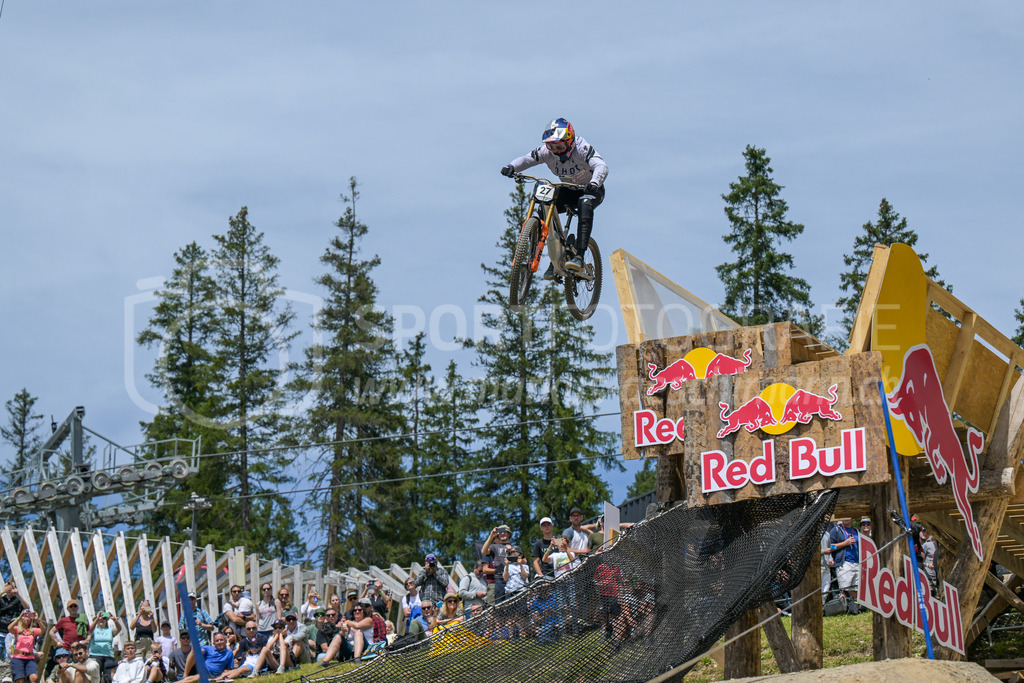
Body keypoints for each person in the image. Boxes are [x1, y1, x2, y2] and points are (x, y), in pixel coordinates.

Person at [500, 118, 608, 275]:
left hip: (591, 190)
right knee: (544, 205)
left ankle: (579, 255)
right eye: (552, 146)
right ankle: (554, 253)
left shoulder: (582, 148)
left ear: (570, 141)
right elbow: (526, 159)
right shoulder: (546, 151)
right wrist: (511, 166)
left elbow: (601, 165)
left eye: (560, 146)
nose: (556, 150)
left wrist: (595, 182)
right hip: (568, 189)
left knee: (585, 204)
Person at [829, 517, 860, 608]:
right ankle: (842, 609)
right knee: (845, 589)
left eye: (848, 516)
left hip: (857, 562)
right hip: (844, 563)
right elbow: (830, 547)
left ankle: (855, 609)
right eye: (844, 516)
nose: (846, 518)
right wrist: (844, 543)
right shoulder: (836, 530)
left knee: (856, 589)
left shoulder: (856, 530)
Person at [8, 609, 43, 683]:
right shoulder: (17, 629)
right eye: (25, 616)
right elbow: (9, 628)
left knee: (34, 678)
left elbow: (43, 630)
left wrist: (38, 620)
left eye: (29, 616)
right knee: (20, 681)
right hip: (18, 657)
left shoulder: (33, 630)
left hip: (30, 658)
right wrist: (18, 618)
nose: (27, 618)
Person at [85, 611, 121, 683]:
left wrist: (114, 619)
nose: (101, 620)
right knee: (96, 676)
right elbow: (88, 631)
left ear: (106, 621)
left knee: (108, 676)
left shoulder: (110, 630)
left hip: (108, 656)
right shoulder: (94, 630)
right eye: (100, 618)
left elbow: (119, 629)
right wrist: (96, 619)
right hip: (95, 655)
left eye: (104, 618)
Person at [481, 525, 512, 603]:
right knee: (499, 604)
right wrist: (491, 536)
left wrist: (512, 550)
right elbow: (484, 551)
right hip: (499, 578)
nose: (502, 534)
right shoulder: (494, 547)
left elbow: (523, 560)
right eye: (500, 532)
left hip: (512, 578)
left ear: (509, 534)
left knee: (512, 603)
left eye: (504, 532)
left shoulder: (514, 547)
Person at [0, 582, 31, 661]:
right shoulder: (1, 599)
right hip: (0, 631)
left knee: (9, 656)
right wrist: (2, 592)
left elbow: (27, 607)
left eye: (11, 588)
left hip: (10, 633)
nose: (9, 590)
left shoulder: (17, 601)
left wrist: (18, 595)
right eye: (8, 588)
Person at [920, 528, 939, 594]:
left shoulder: (927, 545)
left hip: (932, 576)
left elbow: (920, 560)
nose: (925, 533)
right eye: (923, 531)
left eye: (926, 531)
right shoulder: (930, 545)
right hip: (931, 576)